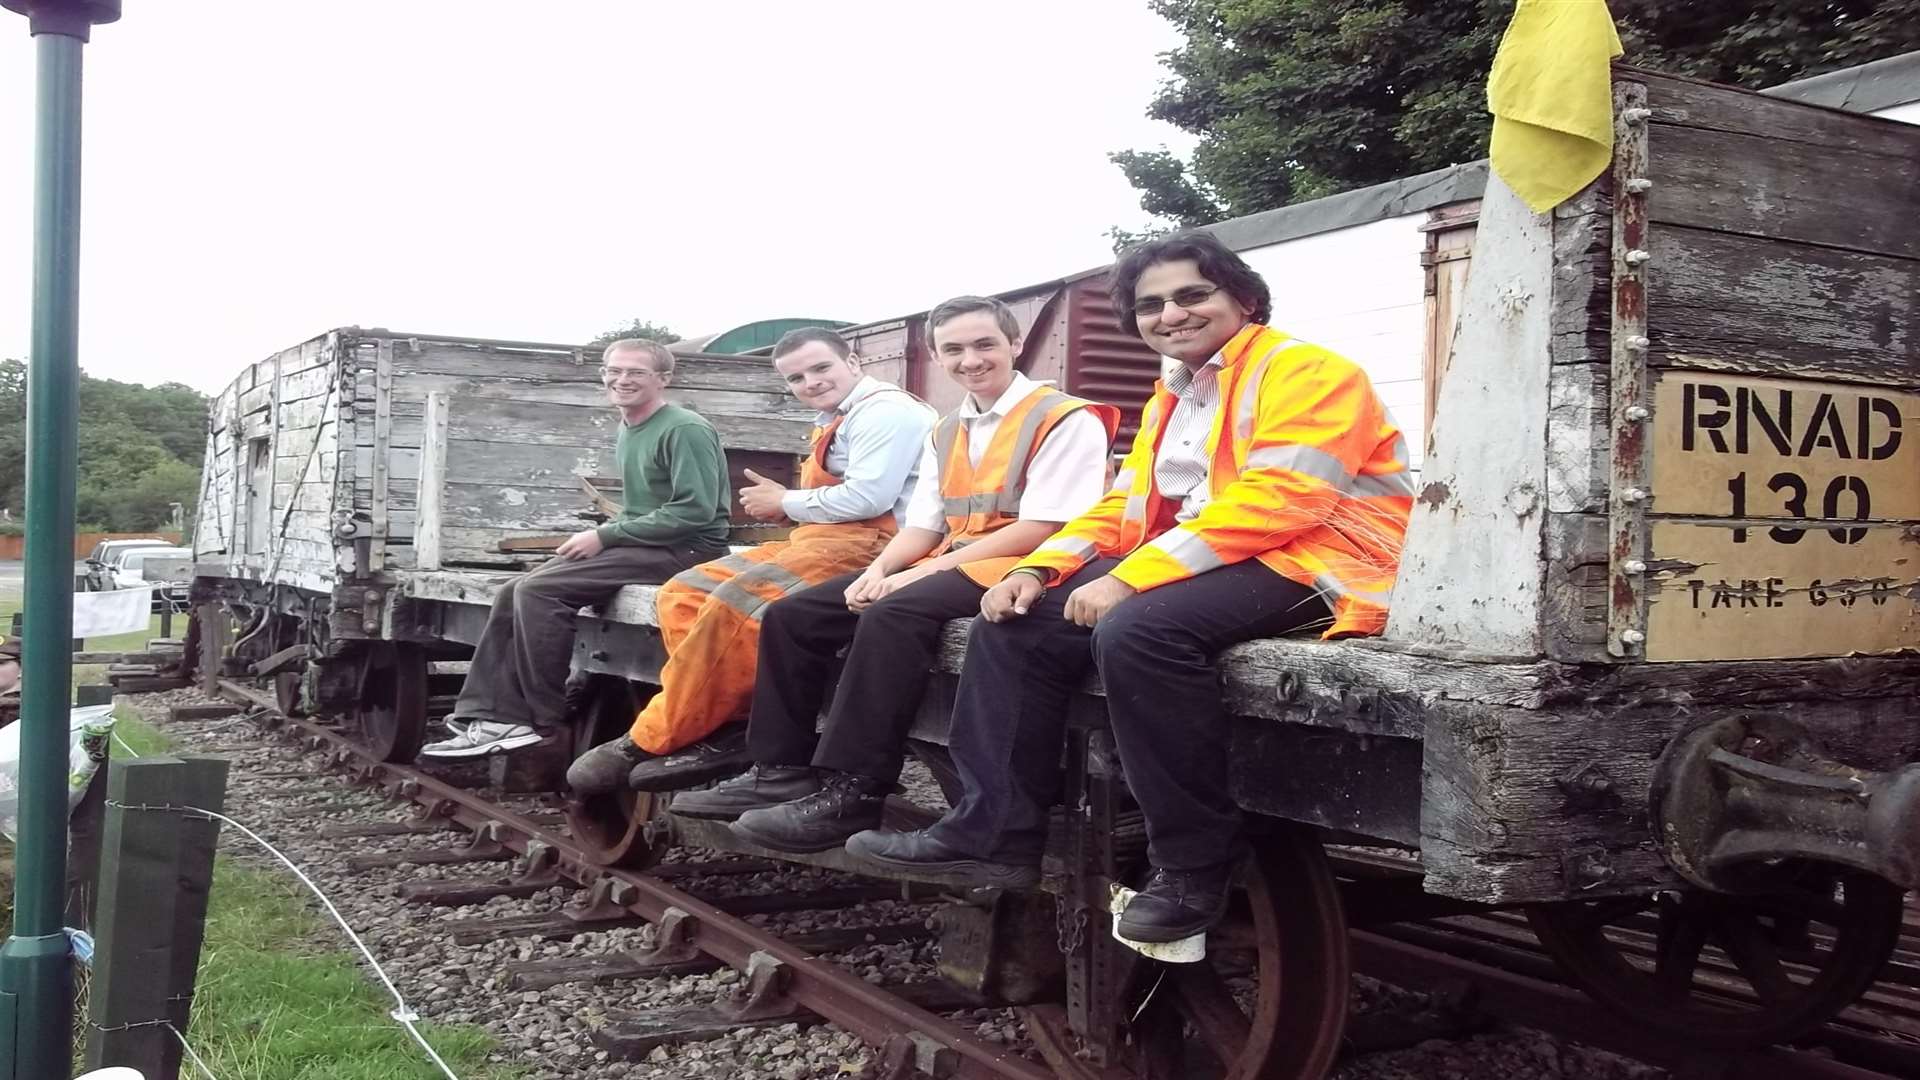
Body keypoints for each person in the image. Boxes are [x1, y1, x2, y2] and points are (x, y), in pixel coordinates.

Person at [845, 231, 1415, 942]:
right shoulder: (1175, 392)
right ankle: (994, 829)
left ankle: (1194, 863)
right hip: (1231, 549)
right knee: (1016, 622)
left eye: (1191, 294)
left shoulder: (1308, 370)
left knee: (1142, 630)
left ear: (1241, 297)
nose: (1171, 313)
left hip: (1330, 553)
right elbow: (1126, 503)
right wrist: (1038, 568)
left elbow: (1283, 500)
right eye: (1151, 305)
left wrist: (1132, 580)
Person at [664, 296, 1118, 852]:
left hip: (1031, 562)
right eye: (953, 349)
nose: (969, 359)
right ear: (935, 354)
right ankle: (780, 767)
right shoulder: (949, 429)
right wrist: (878, 569)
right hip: (960, 556)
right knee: (795, 614)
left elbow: (1046, 525)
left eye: (984, 344)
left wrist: (910, 580)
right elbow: (925, 524)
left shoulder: (1065, 417)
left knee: (894, 613)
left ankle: (856, 786)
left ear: (1015, 345)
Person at [568, 327, 936, 793]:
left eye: (821, 368)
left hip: (878, 544)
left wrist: (786, 501)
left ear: (855, 363)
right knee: (682, 592)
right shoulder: (841, 414)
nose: (811, 382)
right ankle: (729, 725)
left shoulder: (886, 412)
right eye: (797, 377)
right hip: (827, 538)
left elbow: (868, 498)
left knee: (737, 602)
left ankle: (653, 734)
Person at [419, 339, 730, 758]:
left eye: (636, 372)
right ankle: (491, 716)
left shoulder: (684, 428)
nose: (622, 380)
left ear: (663, 379)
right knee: (516, 588)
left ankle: (536, 719)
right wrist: (607, 531)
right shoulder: (630, 426)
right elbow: (644, 508)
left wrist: (605, 537)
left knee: (540, 592)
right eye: (613, 370)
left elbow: (695, 512)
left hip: (689, 549)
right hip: (652, 542)